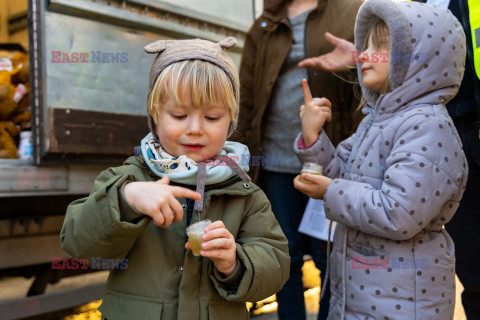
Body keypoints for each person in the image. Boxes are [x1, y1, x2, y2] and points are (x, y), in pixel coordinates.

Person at [60, 37, 290, 320]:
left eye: (212, 117)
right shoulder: (128, 177)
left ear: (231, 121)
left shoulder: (245, 193)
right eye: (179, 115)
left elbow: (277, 264)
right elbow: (76, 243)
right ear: (155, 117)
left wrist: (235, 262)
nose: (195, 128)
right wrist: (125, 199)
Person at [302, 0, 480, 317]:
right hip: (361, 295)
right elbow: (341, 172)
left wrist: (329, 191)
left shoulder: (429, 127)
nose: (365, 54)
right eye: (365, 45)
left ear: (418, 60)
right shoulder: (375, 120)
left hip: (402, 301)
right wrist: (314, 139)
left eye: (381, 46)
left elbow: (399, 213)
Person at [233, 0, 363, 318]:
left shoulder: (352, 10)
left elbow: (381, 73)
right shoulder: (264, 24)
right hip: (275, 163)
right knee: (284, 256)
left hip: (329, 159)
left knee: (329, 256)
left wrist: (357, 60)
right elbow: (245, 98)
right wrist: (236, 160)